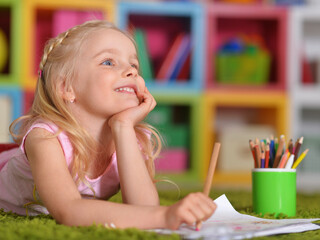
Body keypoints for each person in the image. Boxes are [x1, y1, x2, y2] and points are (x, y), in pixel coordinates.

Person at [0, 20, 216, 230]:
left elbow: (145, 208)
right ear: (66, 87)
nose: (132, 71)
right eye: (108, 62)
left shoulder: (131, 137)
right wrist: (165, 216)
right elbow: (68, 210)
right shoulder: (45, 138)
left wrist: (123, 127)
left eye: (134, 65)